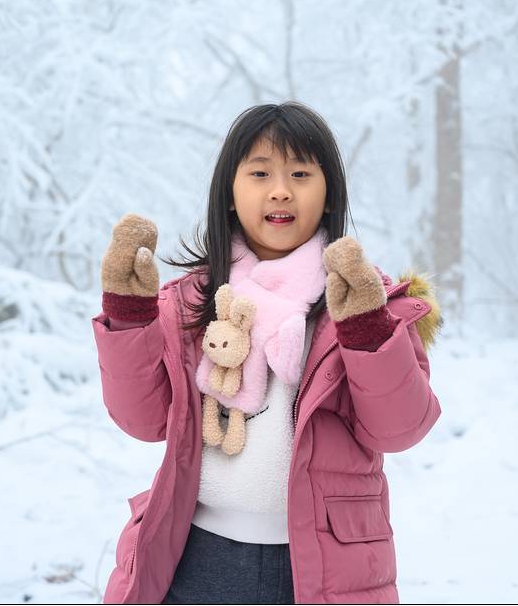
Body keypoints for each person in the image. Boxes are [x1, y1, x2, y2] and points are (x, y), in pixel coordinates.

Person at [91, 102, 443, 604]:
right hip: (193, 557)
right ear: (231, 194)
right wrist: (129, 316)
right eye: (260, 173)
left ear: (328, 196)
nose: (281, 189)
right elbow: (142, 420)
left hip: (316, 567)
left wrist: (365, 330)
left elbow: (399, 428)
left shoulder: (362, 300)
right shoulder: (191, 301)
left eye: (301, 173)